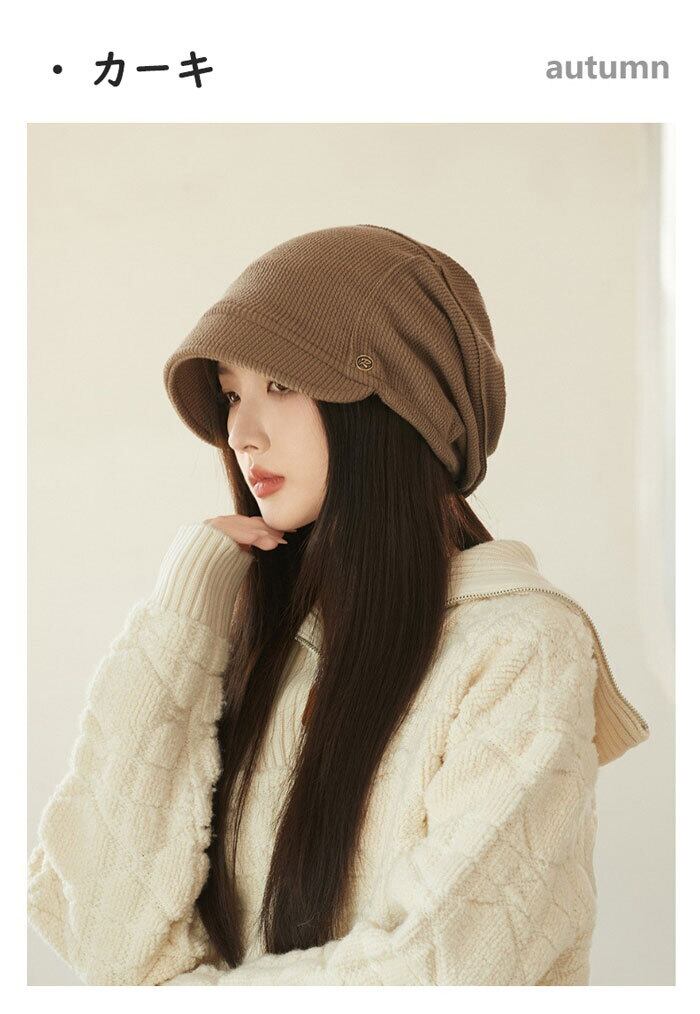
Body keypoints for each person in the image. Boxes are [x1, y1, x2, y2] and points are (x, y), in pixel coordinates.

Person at [27, 224, 650, 986]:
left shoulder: (522, 649)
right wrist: (185, 614)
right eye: (232, 394)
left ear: (398, 404)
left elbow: (435, 973)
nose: (241, 433)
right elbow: (102, 937)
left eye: (281, 387)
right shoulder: (261, 637)